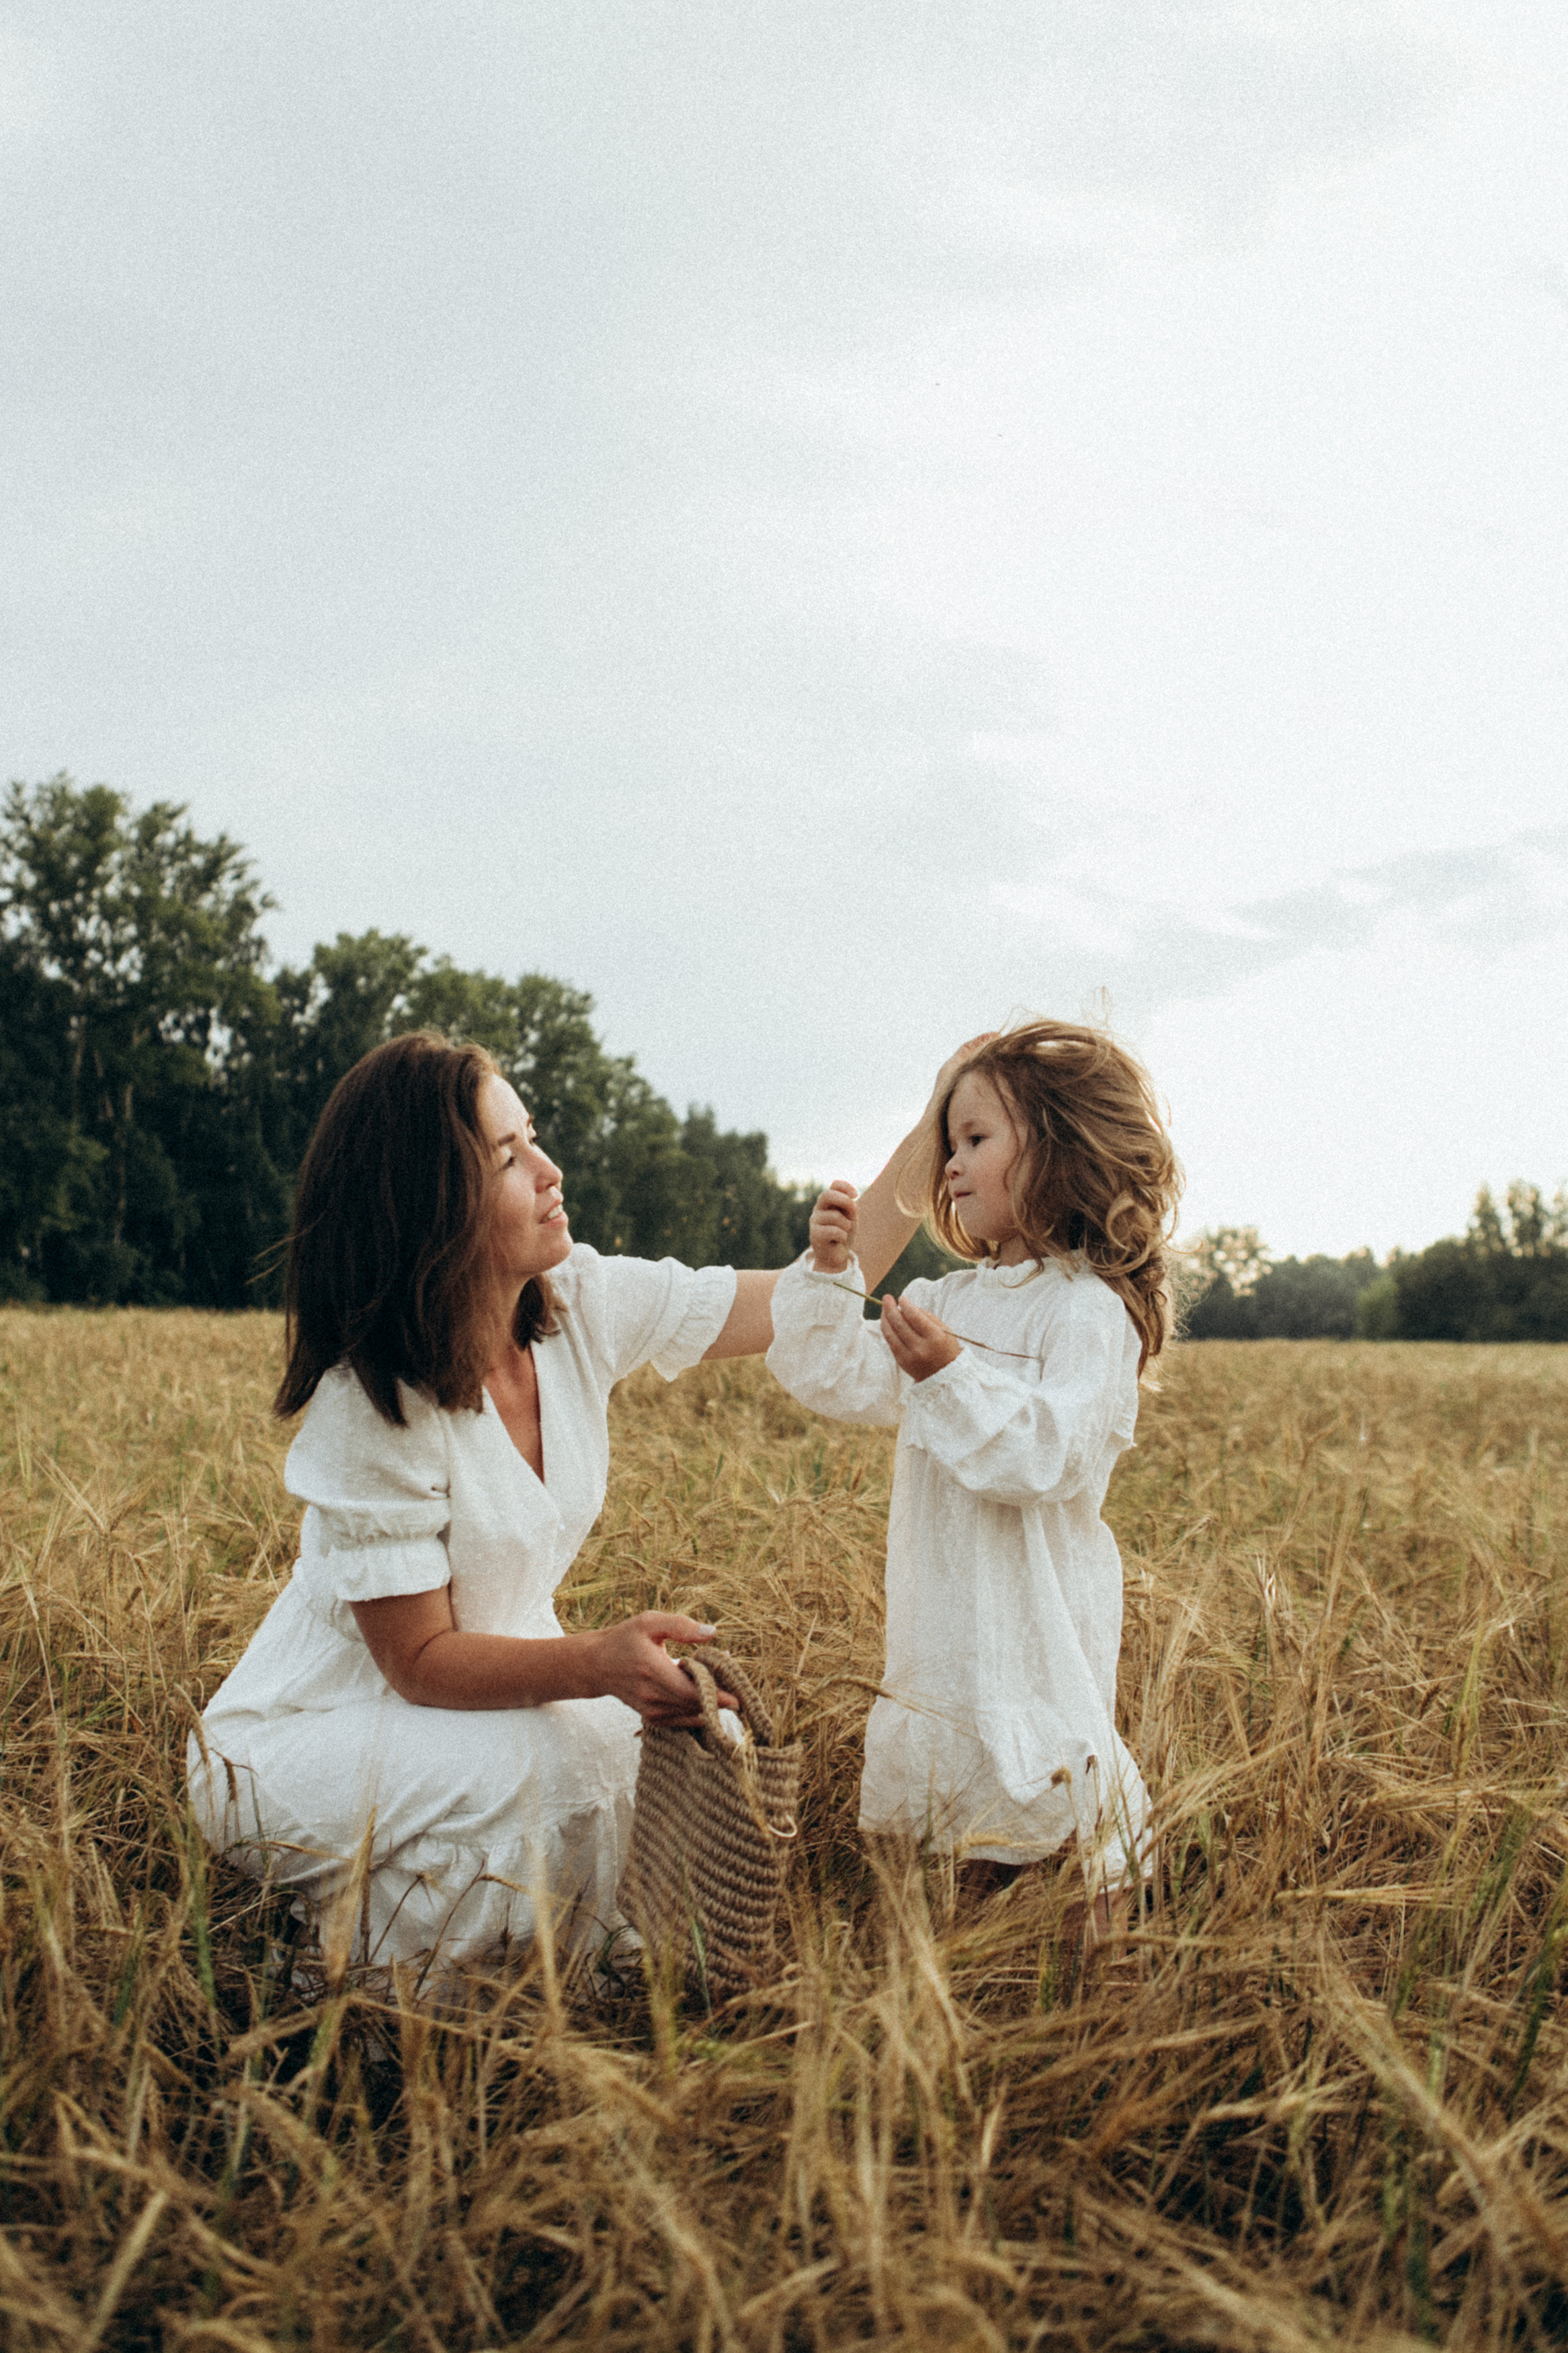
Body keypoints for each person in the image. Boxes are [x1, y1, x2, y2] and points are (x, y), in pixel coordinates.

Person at [188, 1029, 962, 1982]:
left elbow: (798, 1303)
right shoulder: (373, 1401)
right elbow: (417, 1663)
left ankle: (542, 1980)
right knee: (544, 1771)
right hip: (314, 1729)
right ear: (432, 1199)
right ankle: (345, 1992)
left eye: (534, 1138)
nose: (550, 1171)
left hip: (497, 1687)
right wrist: (596, 1662)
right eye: (509, 1157)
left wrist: (938, 1119)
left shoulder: (578, 1303)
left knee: (640, 1757)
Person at [765, 1019, 1181, 1931]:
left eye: (976, 1140)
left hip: (1034, 1634)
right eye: (947, 1143)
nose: (949, 1166)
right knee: (962, 1890)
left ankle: (1096, 2008)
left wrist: (949, 1376)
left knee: (1068, 1865)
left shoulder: (1086, 1313)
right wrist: (831, 1274)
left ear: (1057, 1153)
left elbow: (1045, 1456)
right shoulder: (940, 1300)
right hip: (944, 1638)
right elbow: (828, 1376)